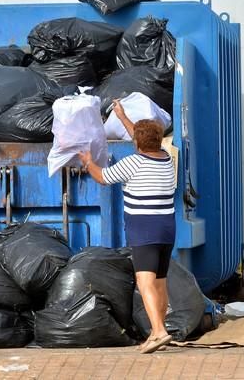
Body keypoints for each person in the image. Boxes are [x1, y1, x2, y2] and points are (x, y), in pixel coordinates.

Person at [78, 99, 176, 354]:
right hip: (166, 229)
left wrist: (88, 161)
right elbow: (142, 138)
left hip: (144, 230)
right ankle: (160, 329)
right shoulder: (166, 160)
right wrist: (122, 116)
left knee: (145, 282)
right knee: (160, 283)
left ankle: (159, 332)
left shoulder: (134, 163)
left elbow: (103, 177)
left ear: (137, 143)